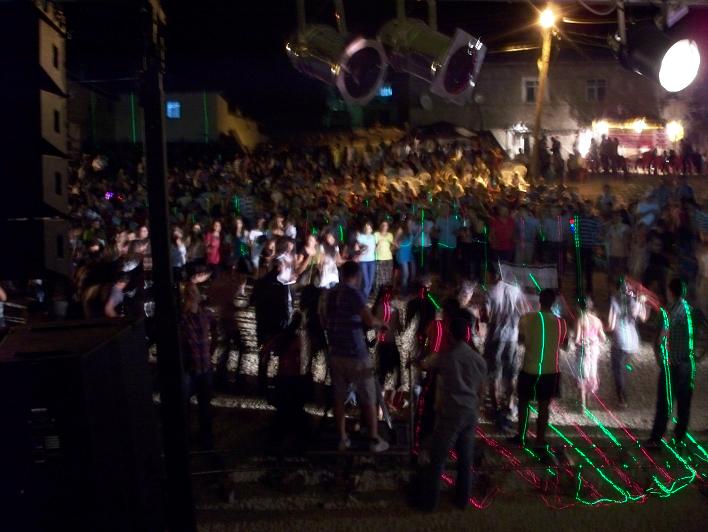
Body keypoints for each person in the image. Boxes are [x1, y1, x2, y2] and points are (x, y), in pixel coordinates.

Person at [418, 313, 487, 511]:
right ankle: (462, 500)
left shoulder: (446, 357)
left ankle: (430, 502)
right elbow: (481, 391)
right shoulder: (478, 360)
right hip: (470, 412)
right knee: (465, 459)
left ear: (449, 334)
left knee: (438, 458)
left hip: (451, 412)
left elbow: (424, 364)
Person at [321, 261, 389, 453]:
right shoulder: (354, 294)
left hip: (336, 351)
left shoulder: (330, 294)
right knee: (368, 396)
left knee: (339, 397)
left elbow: (324, 321)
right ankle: (374, 439)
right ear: (357, 276)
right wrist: (381, 324)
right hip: (355, 353)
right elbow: (369, 320)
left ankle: (342, 438)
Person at [511, 289, 567, 448]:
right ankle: (540, 440)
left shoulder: (526, 318)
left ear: (539, 301)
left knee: (524, 403)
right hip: (551, 370)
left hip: (530, 367)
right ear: (553, 303)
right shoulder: (561, 323)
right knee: (544, 406)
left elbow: (520, 341)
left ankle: (521, 437)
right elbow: (564, 345)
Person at [649, 279, 697, 446]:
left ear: (671, 292)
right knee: (684, 404)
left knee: (664, 403)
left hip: (672, 365)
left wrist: (660, 357)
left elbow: (661, 338)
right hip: (688, 364)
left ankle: (656, 438)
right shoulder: (690, 310)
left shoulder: (670, 313)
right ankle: (679, 437)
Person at [483, 273, 528, 431]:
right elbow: (525, 310)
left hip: (495, 338)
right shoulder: (516, 290)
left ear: (494, 275)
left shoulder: (491, 291)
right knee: (511, 373)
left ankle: (495, 408)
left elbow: (485, 316)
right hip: (512, 338)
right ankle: (509, 405)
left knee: (494, 373)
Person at [180, 281, 214, 449]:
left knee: (205, 406)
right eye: (188, 292)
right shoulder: (182, 318)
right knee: (184, 405)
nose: (191, 294)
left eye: (193, 291)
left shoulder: (206, 314)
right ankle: (185, 438)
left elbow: (215, 332)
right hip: (189, 367)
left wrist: (211, 351)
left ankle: (206, 439)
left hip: (205, 366)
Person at [607, 278, 648, 407]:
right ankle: (622, 392)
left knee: (617, 370)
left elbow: (611, 325)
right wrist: (642, 303)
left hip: (620, 340)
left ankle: (622, 398)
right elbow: (644, 318)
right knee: (623, 367)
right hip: (632, 341)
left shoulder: (614, 300)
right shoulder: (634, 301)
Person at [572, 297, 606, 409]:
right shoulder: (597, 321)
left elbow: (577, 339)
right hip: (594, 351)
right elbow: (603, 338)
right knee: (591, 374)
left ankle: (583, 406)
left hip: (583, 351)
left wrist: (574, 340)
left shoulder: (580, 320)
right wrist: (594, 341)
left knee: (582, 375)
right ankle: (589, 401)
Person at [356, 221, 377, 299]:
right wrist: (361, 247)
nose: (367, 229)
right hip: (363, 261)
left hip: (372, 261)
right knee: (366, 282)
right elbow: (357, 248)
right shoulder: (360, 237)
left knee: (370, 283)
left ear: (371, 229)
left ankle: (364, 298)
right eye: (366, 228)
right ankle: (364, 300)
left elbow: (375, 247)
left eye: (369, 228)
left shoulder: (373, 237)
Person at [374, 220, 395, 290]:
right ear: (380, 226)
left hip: (388, 258)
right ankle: (378, 292)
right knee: (379, 277)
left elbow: (393, 245)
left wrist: (391, 250)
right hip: (379, 258)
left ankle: (385, 292)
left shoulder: (390, 235)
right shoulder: (376, 234)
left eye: (386, 225)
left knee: (387, 277)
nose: (384, 227)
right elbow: (374, 245)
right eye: (383, 225)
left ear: (388, 227)